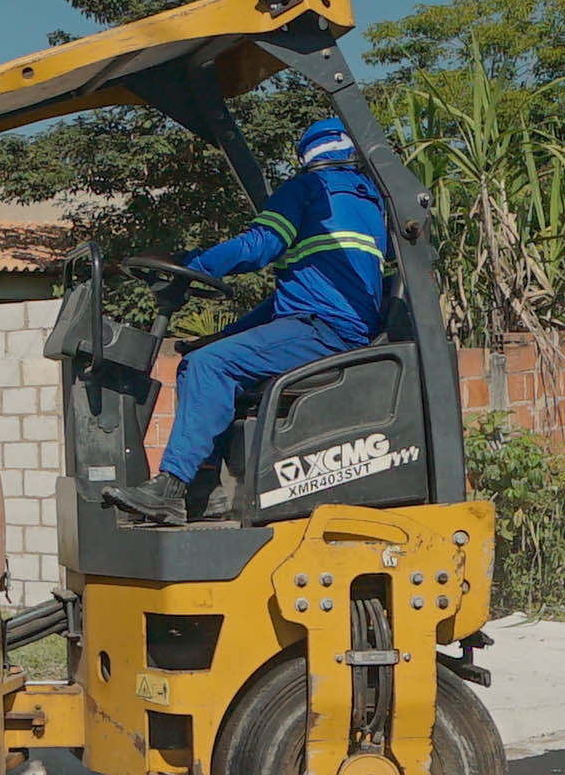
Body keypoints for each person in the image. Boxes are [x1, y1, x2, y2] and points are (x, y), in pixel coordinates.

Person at [109, 114, 392, 525]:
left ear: (307, 155)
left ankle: (172, 489)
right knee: (211, 357)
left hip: (322, 330)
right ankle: (206, 494)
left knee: (206, 366)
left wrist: (194, 264)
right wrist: (224, 335)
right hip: (333, 327)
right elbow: (286, 303)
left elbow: (260, 245)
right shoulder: (369, 203)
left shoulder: (310, 190)